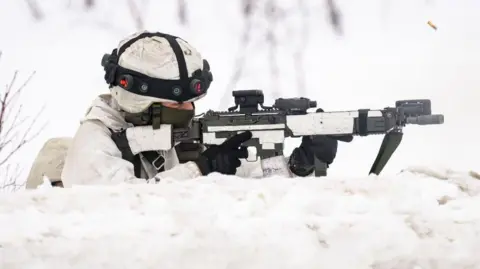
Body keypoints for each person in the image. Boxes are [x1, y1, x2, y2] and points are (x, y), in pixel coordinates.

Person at [56, 30, 350, 187]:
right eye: (175, 102)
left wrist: (298, 165)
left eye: (191, 102)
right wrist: (200, 169)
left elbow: (245, 184)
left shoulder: (173, 131)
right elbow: (125, 208)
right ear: (138, 99)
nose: (186, 110)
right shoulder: (95, 141)